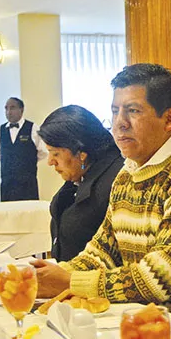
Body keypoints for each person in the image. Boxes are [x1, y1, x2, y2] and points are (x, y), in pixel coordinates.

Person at [31, 64, 171, 320]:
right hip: (144, 320)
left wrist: (70, 281)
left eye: (133, 111)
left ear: (170, 119)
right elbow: (103, 250)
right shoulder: (130, 171)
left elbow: (159, 279)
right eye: (115, 111)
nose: (119, 123)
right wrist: (47, 275)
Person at [37, 105, 124, 262]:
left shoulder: (116, 181)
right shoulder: (81, 174)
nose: (50, 162)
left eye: (55, 153)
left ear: (81, 153)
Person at [0, 97, 48, 201]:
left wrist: (27, 161)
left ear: (21, 110)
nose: (8, 112)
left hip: (28, 183)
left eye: (12, 108)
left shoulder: (33, 128)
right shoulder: (0, 131)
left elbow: (42, 152)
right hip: (7, 184)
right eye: (6, 108)